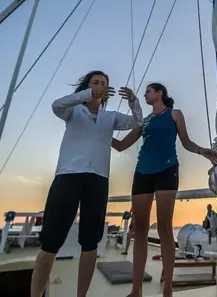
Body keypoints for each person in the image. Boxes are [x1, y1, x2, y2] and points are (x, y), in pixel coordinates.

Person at [31, 71, 143, 297]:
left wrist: (133, 101)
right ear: (87, 87)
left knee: (90, 242)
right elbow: (56, 105)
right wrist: (86, 94)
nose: (101, 86)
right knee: (51, 241)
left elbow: (137, 121)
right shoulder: (73, 111)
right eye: (96, 82)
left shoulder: (110, 117)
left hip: (98, 180)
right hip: (67, 177)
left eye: (104, 83)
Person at [113, 82, 217, 297]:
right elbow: (122, 145)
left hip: (167, 170)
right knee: (140, 229)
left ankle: (168, 289)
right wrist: (100, 131)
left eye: (148, 92)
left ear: (159, 93)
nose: (146, 95)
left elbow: (186, 142)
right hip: (143, 172)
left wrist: (202, 151)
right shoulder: (143, 121)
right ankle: (136, 290)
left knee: (164, 227)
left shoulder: (175, 114)